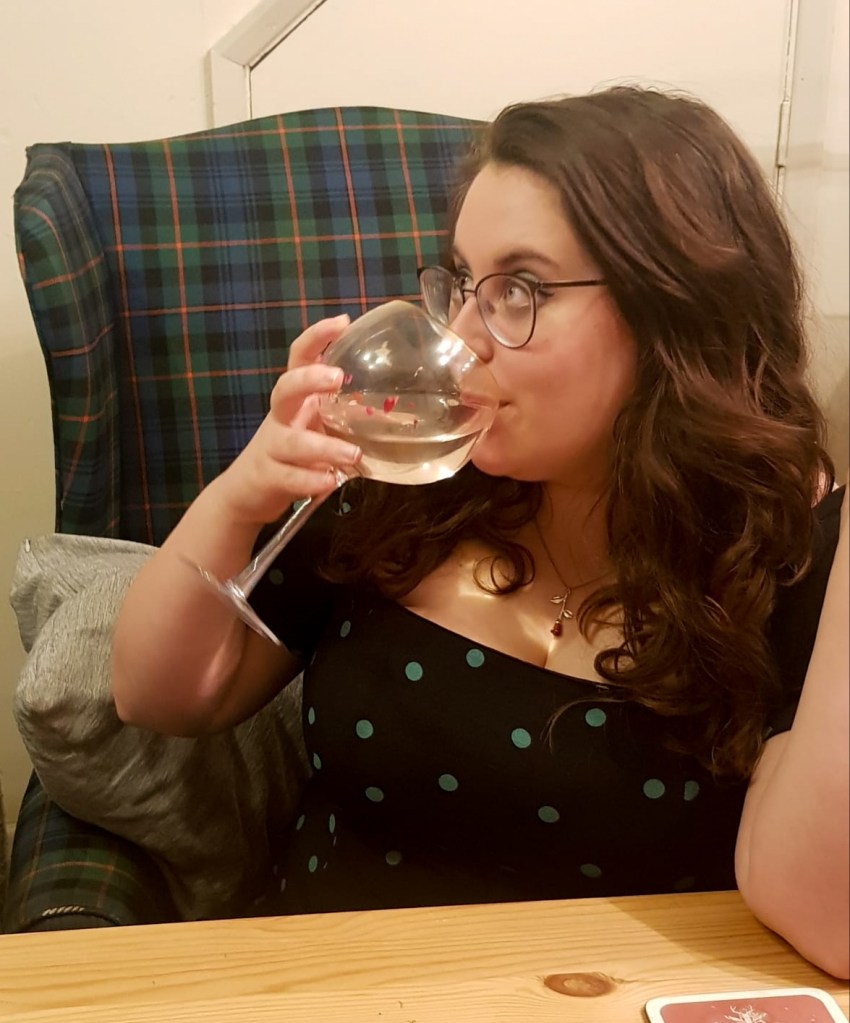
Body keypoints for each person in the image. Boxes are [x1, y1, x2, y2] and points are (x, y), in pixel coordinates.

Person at [111, 86, 849, 977]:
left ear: (674, 311)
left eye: (520, 289)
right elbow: (159, 695)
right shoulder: (405, 480)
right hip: (318, 989)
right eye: (462, 282)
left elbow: (829, 916)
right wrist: (242, 493)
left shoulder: (781, 550)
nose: (461, 336)